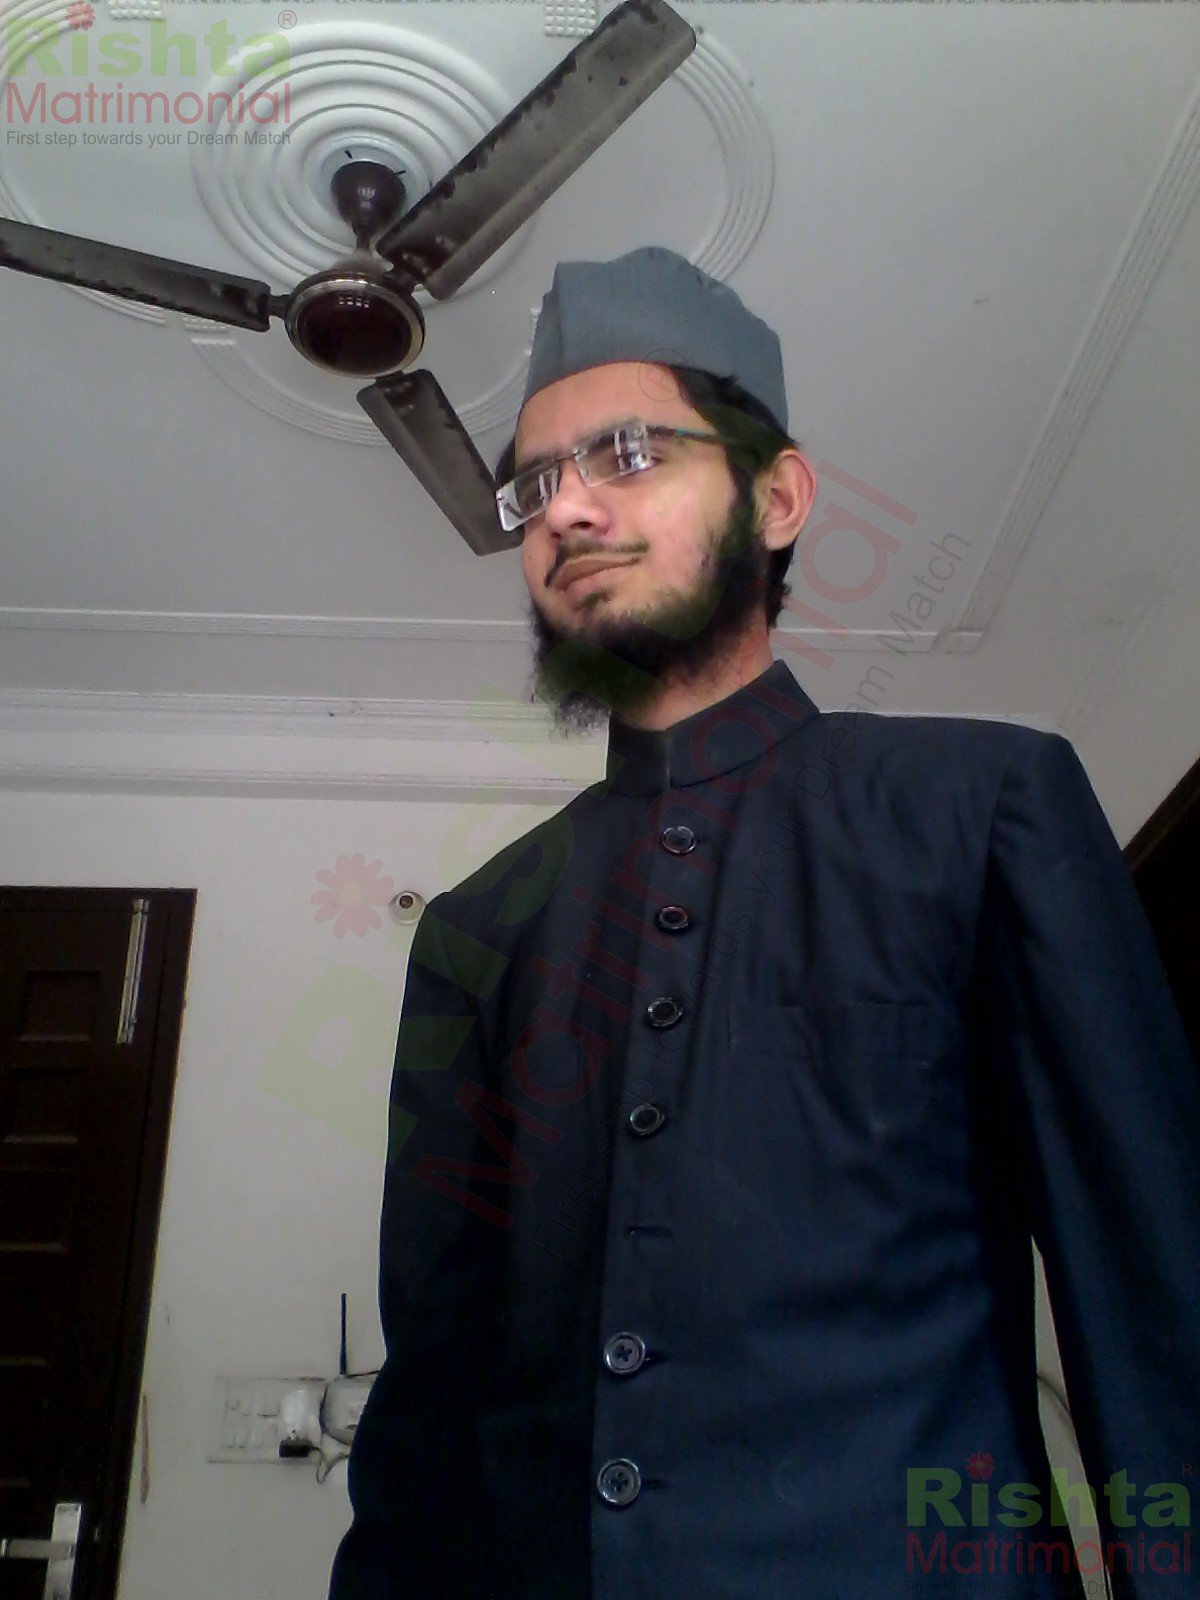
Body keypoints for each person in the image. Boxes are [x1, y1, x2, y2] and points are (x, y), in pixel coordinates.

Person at [328, 247, 1200, 1600]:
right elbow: (433, 1387)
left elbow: (1156, 1305)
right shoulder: (476, 928)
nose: (565, 511)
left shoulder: (983, 803)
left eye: (627, 454)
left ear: (777, 496)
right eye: (535, 486)